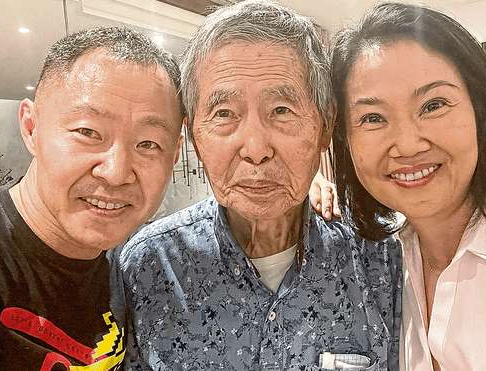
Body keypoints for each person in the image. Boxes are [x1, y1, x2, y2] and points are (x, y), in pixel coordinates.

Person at [118, 1, 402, 370]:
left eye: (281, 110)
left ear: (325, 125)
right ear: (193, 137)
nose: (255, 150)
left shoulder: (378, 256)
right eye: (224, 114)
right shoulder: (149, 266)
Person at [314, 2, 486, 370]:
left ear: (479, 111)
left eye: (433, 105)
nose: (408, 145)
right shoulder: (378, 263)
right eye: (372, 118)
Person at [0, 27, 184, 370]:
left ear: (174, 156)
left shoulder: (141, 265)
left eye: (148, 144)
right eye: (87, 132)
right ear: (32, 128)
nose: (116, 172)